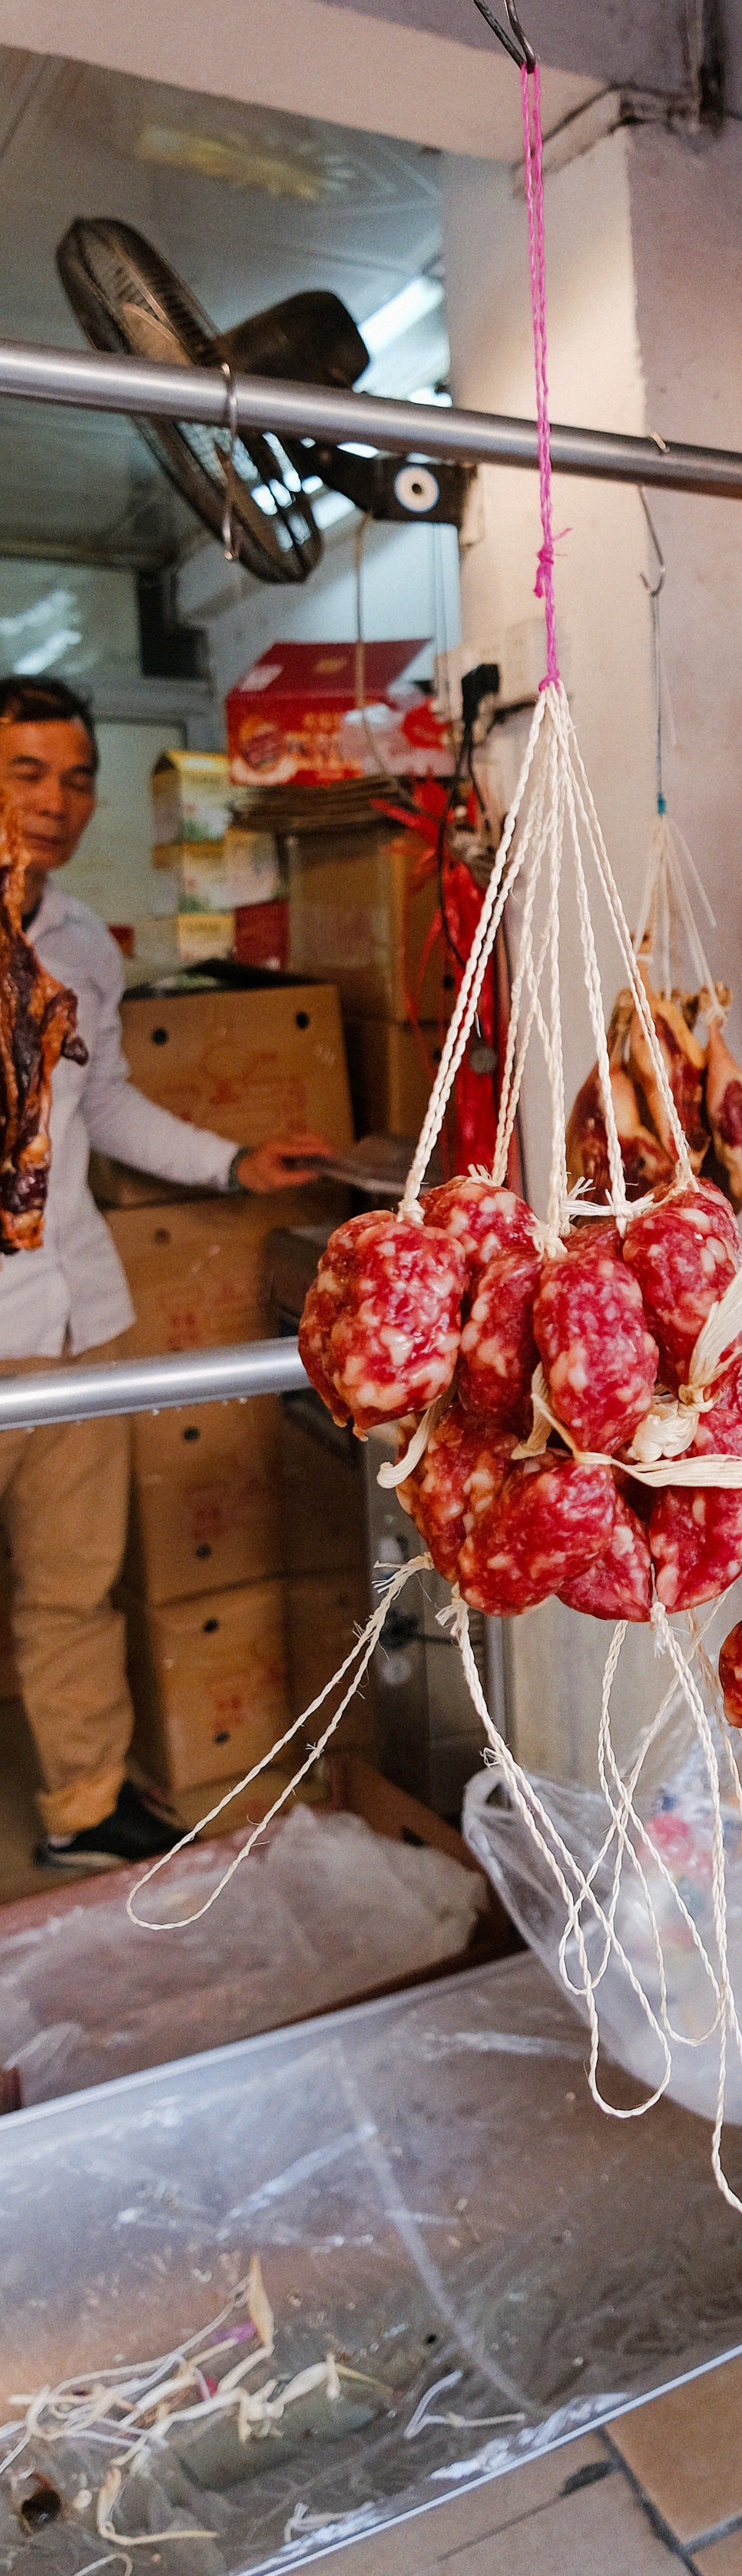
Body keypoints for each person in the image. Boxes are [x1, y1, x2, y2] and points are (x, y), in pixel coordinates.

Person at [0, 677, 333, 1872]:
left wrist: (235, 1162)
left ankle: (86, 1808)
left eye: (76, 777)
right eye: (27, 771)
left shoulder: (84, 942)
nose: (56, 800)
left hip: (75, 1317)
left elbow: (106, 1104)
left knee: (71, 1587)